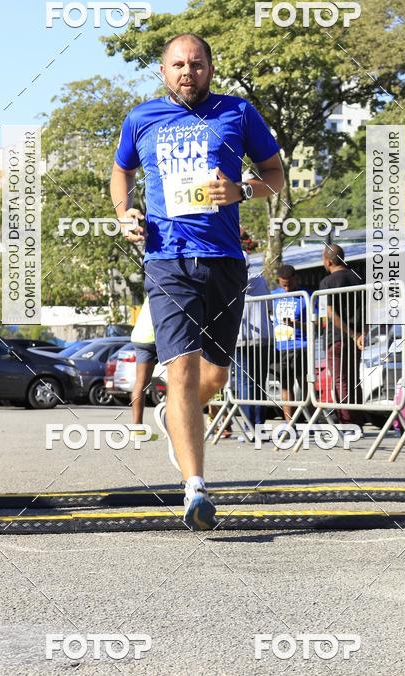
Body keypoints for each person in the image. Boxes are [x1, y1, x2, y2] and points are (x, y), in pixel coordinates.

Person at [110, 33, 284, 530]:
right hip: (167, 259)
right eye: (178, 64)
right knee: (181, 372)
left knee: (214, 377)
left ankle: (172, 417)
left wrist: (243, 189)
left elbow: (275, 173)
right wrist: (126, 215)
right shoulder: (142, 118)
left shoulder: (238, 113)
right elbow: (120, 172)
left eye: (197, 63)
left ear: (211, 67)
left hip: (226, 260)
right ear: (163, 71)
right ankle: (196, 489)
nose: (188, 71)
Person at [319, 244, 364, 425]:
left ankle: (347, 421)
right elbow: (366, 308)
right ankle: (358, 419)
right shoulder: (358, 278)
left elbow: (329, 313)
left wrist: (351, 333)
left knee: (340, 380)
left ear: (328, 261)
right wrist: (360, 334)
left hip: (336, 339)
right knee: (354, 378)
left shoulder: (327, 283)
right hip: (357, 339)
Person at [233, 255, 273, 432]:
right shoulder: (260, 280)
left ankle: (249, 427)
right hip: (263, 338)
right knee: (259, 383)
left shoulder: (230, 281)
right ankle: (259, 426)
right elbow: (270, 306)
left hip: (241, 338)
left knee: (244, 383)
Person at [271, 264, 307, 423]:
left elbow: (318, 324)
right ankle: (289, 423)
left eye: (289, 284)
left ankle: (311, 420)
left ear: (296, 279)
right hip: (280, 347)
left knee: (304, 383)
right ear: (278, 281)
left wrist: (297, 325)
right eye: (283, 285)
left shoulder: (305, 295)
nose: (286, 289)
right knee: (285, 384)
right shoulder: (273, 295)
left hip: (301, 345)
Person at [130, 296, 158, 429]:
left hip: (141, 337)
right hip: (158, 336)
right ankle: (175, 426)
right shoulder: (172, 286)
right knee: (177, 379)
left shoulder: (152, 289)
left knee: (140, 383)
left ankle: (137, 427)